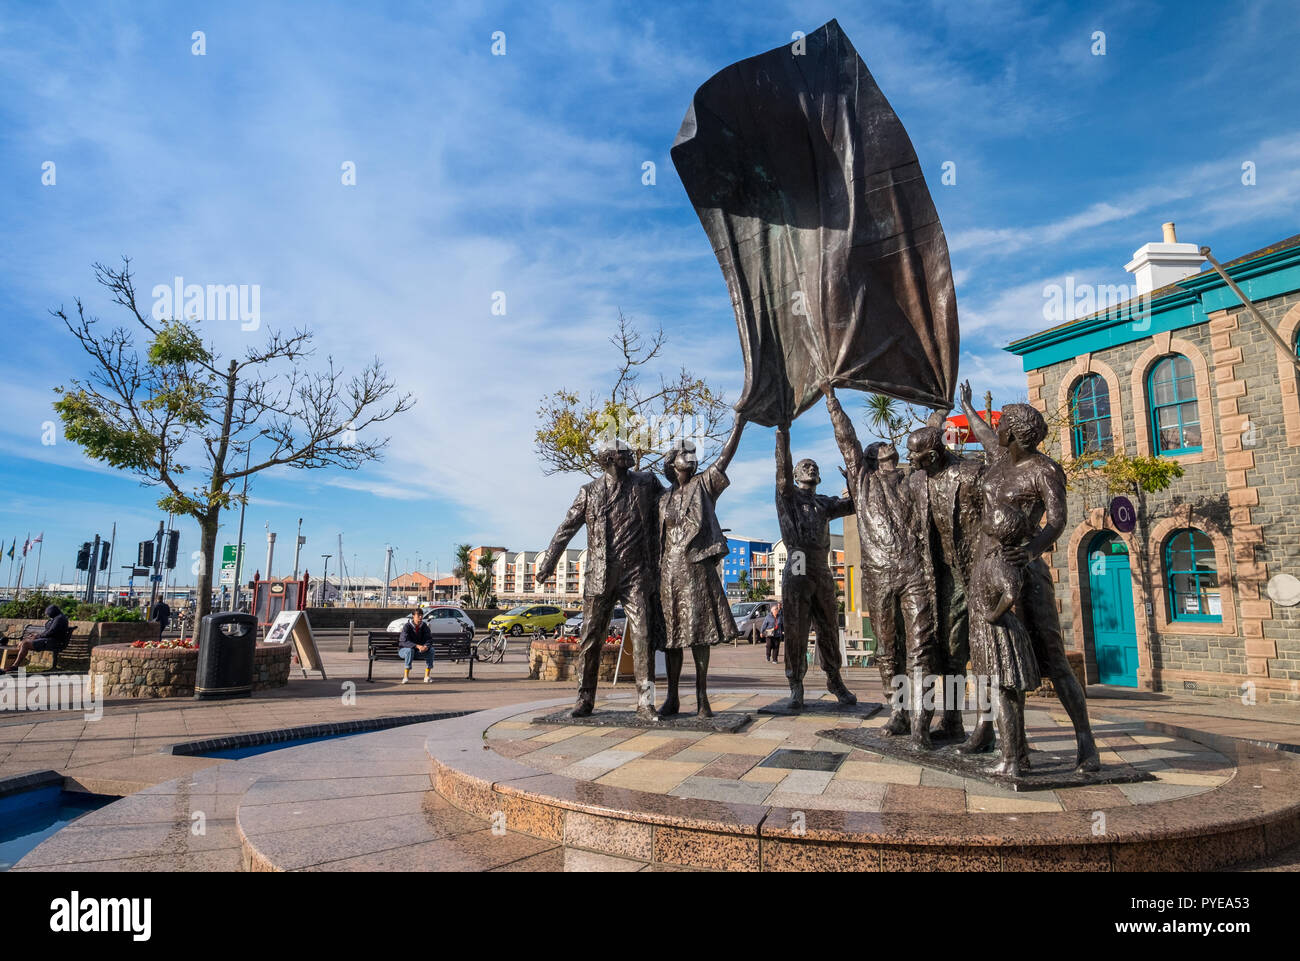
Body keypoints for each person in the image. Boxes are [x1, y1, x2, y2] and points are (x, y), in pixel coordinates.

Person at [958, 380, 1100, 773]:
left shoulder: (1044, 470)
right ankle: (997, 738)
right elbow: (983, 433)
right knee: (991, 655)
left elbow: (1057, 519)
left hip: (1024, 572)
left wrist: (1033, 549)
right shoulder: (1000, 457)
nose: (996, 428)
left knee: (1053, 659)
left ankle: (1085, 742)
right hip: (985, 569)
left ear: (1017, 434)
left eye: (1002, 423)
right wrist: (967, 406)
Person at [825, 386, 935, 746]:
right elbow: (847, 439)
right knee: (887, 649)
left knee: (920, 648)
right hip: (879, 576)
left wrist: (940, 410)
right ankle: (898, 713)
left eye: (887, 444)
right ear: (870, 459)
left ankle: (922, 719)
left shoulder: (914, 478)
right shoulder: (863, 482)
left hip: (914, 572)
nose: (883, 445)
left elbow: (933, 441)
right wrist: (832, 399)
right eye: (876, 447)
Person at [536, 439, 667, 720]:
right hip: (600, 575)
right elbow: (565, 530)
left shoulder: (646, 483)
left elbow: (671, 506)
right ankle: (585, 699)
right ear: (608, 459)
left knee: (643, 636)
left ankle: (646, 703)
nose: (629, 453)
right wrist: (548, 563)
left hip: (636, 574)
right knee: (590, 639)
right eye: (623, 452)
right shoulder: (589, 493)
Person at [656, 415, 746, 717]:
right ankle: (672, 697)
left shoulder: (703, 486)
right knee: (672, 639)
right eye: (686, 454)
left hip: (695, 570)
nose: (692, 459)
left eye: (694, 455)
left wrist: (739, 423)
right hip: (668, 572)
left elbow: (724, 458)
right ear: (672, 462)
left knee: (698, 633)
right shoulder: (662, 498)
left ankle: (701, 697)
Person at [905, 423, 985, 741]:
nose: (908, 456)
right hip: (940, 577)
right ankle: (952, 721)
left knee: (981, 652)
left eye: (914, 452)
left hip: (975, 574)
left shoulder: (971, 474)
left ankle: (989, 729)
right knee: (950, 652)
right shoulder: (917, 481)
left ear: (934, 454)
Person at [774, 423, 858, 710]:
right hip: (797, 560)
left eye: (813, 466)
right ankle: (795, 685)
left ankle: (834, 680)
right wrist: (782, 434)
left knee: (829, 626)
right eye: (804, 466)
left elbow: (854, 504)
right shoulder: (788, 497)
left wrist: (856, 478)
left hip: (821, 565)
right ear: (796, 475)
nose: (810, 469)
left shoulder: (825, 502)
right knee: (796, 629)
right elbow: (782, 470)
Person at [1, 604, 72, 673]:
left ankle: (15, 666)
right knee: (23, 642)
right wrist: (35, 636)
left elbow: (51, 632)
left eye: (48, 613)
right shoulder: (57, 617)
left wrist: (37, 636)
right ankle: (17, 667)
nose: (48, 615)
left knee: (25, 644)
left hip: (54, 642)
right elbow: (49, 632)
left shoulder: (59, 619)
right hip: (49, 640)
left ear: (52, 612)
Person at [397, 608, 435, 684]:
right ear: (413, 616)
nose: (420, 617)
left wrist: (426, 646)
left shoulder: (424, 626)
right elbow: (403, 641)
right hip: (404, 651)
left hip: (418, 652)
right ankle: (405, 677)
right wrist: (417, 646)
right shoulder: (407, 626)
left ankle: (427, 676)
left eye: (421, 615)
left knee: (431, 650)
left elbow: (429, 639)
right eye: (418, 615)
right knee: (409, 650)